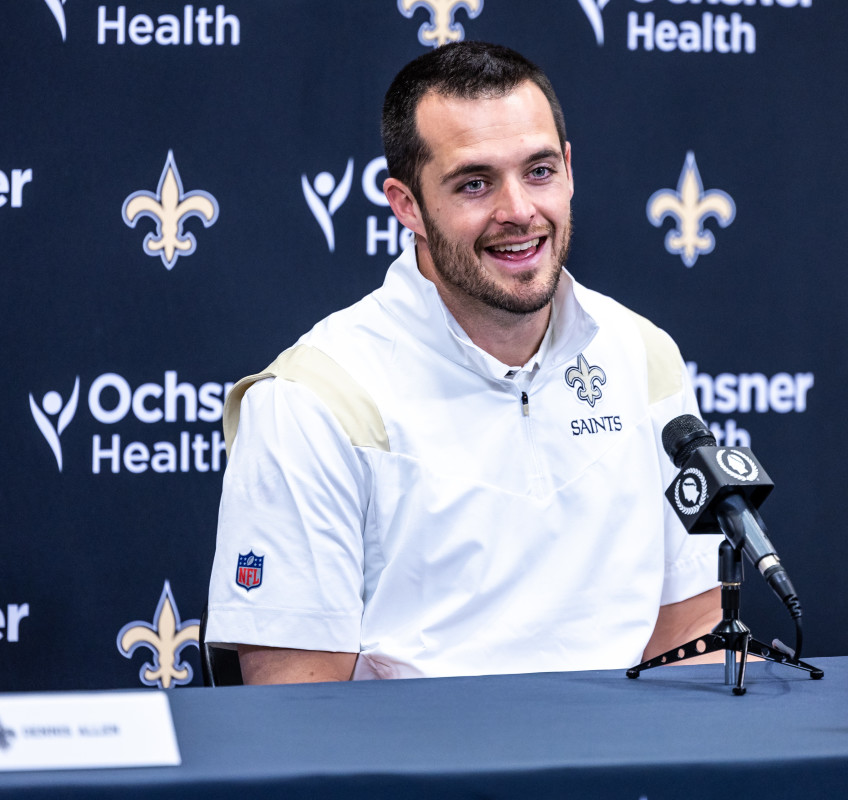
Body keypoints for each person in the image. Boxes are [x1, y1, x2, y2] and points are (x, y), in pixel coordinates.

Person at [205, 42, 722, 684]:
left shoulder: (643, 354)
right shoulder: (312, 399)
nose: (518, 212)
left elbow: (693, 632)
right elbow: (295, 702)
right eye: (475, 183)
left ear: (568, 167)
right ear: (406, 205)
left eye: (538, 171)